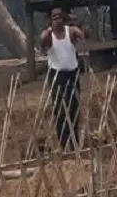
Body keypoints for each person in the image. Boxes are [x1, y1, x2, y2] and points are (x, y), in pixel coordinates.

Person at [40, 8, 85, 150]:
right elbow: (43, 42)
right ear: (50, 19)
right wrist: (50, 30)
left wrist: (75, 25)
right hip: (57, 76)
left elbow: (81, 35)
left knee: (74, 108)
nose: (57, 19)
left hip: (72, 74)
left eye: (60, 16)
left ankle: (74, 141)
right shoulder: (48, 34)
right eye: (54, 17)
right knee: (60, 109)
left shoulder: (70, 31)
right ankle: (63, 143)